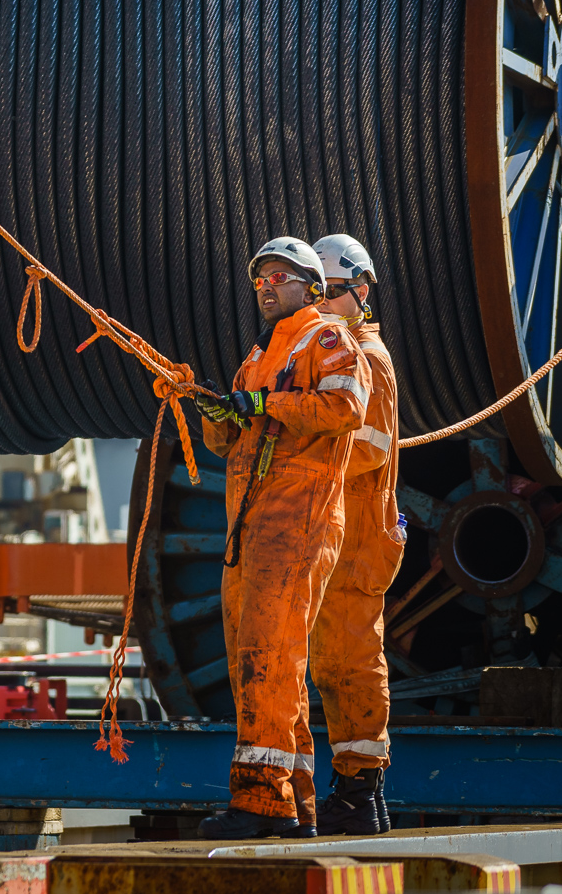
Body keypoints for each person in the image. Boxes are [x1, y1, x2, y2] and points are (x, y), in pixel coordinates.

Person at [187, 237, 372, 840]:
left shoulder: (326, 339)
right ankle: (295, 805)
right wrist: (222, 415)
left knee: (271, 658)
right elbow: (228, 445)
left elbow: (346, 408)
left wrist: (267, 403)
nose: (266, 285)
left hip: (297, 522)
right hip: (252, 526)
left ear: (312, 287)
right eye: (261, 277)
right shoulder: (255, 359)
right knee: (256, 664)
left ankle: (262, 803)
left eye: (280, 276)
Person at [308, 233, 403, 835]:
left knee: (350, 660)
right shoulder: (334, 352)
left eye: (331, 293)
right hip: (338, 530)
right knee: (330, 662)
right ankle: (355, 792)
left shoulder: (369, 358)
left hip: (360, 535)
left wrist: (292, 431)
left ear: (360, 291)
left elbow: (368, 448)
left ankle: (360, 792)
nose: (320, 306)